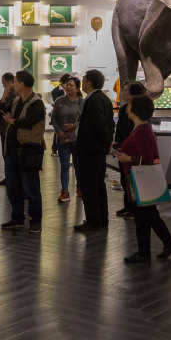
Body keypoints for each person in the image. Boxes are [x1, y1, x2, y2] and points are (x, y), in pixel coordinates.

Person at [114, 95, 171, 263]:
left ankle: (145, 252)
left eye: (130, 105)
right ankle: (167, 244)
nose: (127, 107)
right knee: (149, 215)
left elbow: (147, 157)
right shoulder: (141, 128)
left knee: (143, 217)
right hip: (139, 178)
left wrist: (127, 159)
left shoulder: (142, 130)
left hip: (139, 179)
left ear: (135, 110)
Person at [0, 70, 46, 233]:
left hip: (28, 150)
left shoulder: (36, 102)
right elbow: (1, 112)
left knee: (31, 188)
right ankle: (17, 217)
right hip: (12, 149)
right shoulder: (16, 101)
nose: (12, 85)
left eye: (15, 82)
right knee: (12, 186)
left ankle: (36, 221)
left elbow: (28, 122)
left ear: (22, 84)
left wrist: (11, 121)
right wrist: (5, 96)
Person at [74, 69, 115, 232]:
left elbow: (99, 125)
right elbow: (108, 125)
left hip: (90, 151)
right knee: (98, 185)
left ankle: (93, 220)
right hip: (96, 150)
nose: (82, 83)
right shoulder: (104, 99)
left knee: (90, 186)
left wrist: (105, 144)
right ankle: (101, 218)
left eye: (83, 80)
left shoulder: (93, 101)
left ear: (89, 83)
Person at [114, 81, 147, 217]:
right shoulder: (123, 109)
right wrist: (117, 144)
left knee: (133, 179)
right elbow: (120, 127)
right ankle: (128, 205)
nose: (123, 93)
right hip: (123, 147)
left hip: (133, 148)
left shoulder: (141, 110)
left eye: (126, 90)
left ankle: (135, 207)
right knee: (124, 177)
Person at [49, 76, 84, 204]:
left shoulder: (82, 101)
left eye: (71, 85)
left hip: (77, 140)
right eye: (67, 85)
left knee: (78, 165)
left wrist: (74, 126)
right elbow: (54, 119)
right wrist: (59, 132)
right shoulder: (59, 101)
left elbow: (84, 120)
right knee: (64, 166)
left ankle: (80, 187)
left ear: (77, 88)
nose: (68, 87)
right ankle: (64, 191)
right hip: (63, 140)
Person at [0, 72, 16, 187]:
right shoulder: (8, 93)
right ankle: (9, 176)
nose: (3, 85)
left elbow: (1, 109)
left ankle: (11, 177)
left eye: (4, 83)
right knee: (5, 153)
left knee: (8, 153)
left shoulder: (12, 95)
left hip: (8, 128)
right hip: (5, 128)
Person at [50, 73, 71, 156]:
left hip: (69, 114)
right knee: (58, 131)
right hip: (59, 114)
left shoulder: (70, 90)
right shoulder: (55, 91)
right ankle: (55, 149)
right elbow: (58, 103)